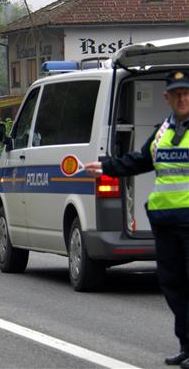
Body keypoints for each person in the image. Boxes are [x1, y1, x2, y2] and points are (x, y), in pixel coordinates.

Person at [85, 70, 189, 368]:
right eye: (177, 94)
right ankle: (186, 345)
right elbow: (138, 161)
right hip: (166, 222)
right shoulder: (162, 132)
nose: (182, 98)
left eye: (187, 93)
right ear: (167, 97)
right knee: (173, 285)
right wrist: (105, 167)